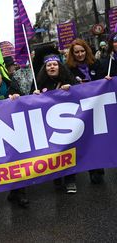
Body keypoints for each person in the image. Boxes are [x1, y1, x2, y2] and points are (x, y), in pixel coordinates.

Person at [0, 67, 29, 207]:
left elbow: (24, 102)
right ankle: (13, 191)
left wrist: (17, 98)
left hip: (14, 130)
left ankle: (21, 193)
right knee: (6, 164)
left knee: (17, 162)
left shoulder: (11, 88)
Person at [34, 55, 79, 193]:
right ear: (45, 68)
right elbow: (30, 102)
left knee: (67, 151)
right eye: (48, 65)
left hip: (66, 123)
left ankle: (70, 181)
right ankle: (57, 178)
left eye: (55, 64)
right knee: (53, 152)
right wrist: (33, 94)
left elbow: (81, 94)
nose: (52, 67)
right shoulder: (39, 82)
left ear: (60, 67)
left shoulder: (68, 80)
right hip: (47, 125)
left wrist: (72, 89)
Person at [66, 39, 106, 184]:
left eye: (82, 51)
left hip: (98, 106)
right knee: (87, 140)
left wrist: (106, 80)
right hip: (81, 111)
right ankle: (93, 170)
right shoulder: (69, 68)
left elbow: (103, 79)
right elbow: (67, 83)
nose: (80, 54)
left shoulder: (96, 64)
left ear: (86, 51)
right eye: (76, 52)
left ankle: (100, 167)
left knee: (99, 138)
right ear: (72, 54)